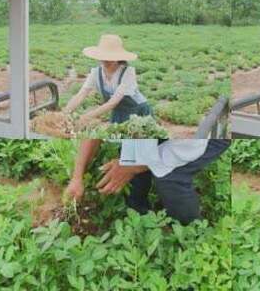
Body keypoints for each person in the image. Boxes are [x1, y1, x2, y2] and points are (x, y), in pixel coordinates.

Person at [65, 139, 230, 225]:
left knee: (170, 177)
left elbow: (188, 148)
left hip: (201, 138)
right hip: (156, 130)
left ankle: (192, 231)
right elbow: (95, 129)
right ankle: (140, 217)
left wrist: (132, 165)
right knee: (131, 154)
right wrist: (77, 176)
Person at [64, 35, 152, 125]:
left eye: (110, 57)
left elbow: (112, 103)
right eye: (104, 56)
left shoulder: (128, 73)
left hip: (138, 111)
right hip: (118, 112)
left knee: (139, 137)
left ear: (118, 57)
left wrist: (86, 117)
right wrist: (65, 113)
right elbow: (81, 95)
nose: (106, 60)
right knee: (116, 137)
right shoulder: (96, 73)